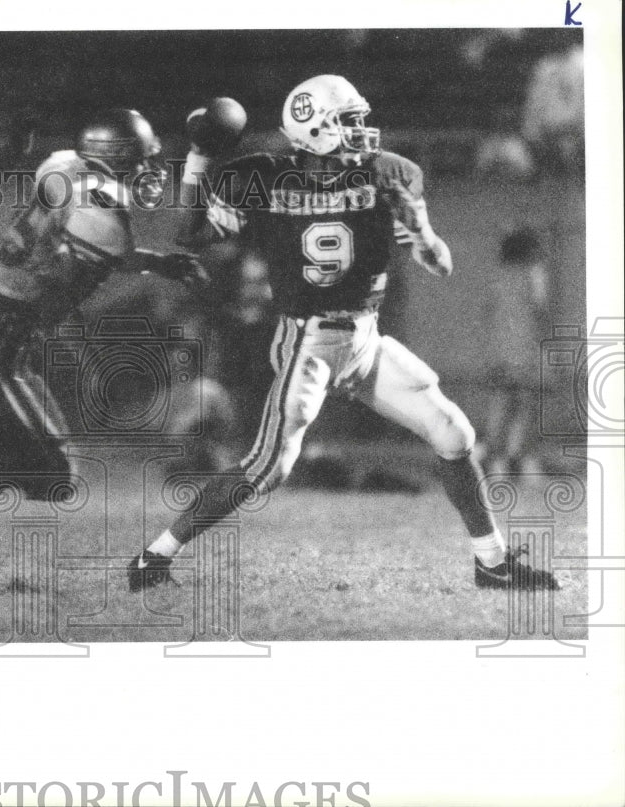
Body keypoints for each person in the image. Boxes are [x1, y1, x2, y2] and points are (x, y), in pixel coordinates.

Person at [128, 75, 559, 593]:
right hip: (308, 340)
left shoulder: (387, 174)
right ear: (313, 128)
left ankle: (492, 563)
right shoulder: (265, 177)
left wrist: (422, 234)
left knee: (454, 433)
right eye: (348, 121)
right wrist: (198, 158)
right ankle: (154, 558)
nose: (361, 131)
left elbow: (438, 262)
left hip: (365, 339)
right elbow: (189, 235)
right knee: (268, 468)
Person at [0, 108, 209, 582]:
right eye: (140, 160)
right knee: (50, 473)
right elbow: (76, 275)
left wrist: (156, 263)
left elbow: (90, 241)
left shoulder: (63, 165)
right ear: (118, 158)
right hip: (4, 340)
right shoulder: (104, 219)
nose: (148, 171)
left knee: (13, 463)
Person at [481, 227, 550, 476]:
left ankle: (493, 460)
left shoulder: (498, 276)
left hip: (499, 351)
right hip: (524, 349)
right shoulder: (534, 273)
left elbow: (489, 312)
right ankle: (519, 458)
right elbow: (540, 310)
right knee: (524, 407)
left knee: (499, 405)